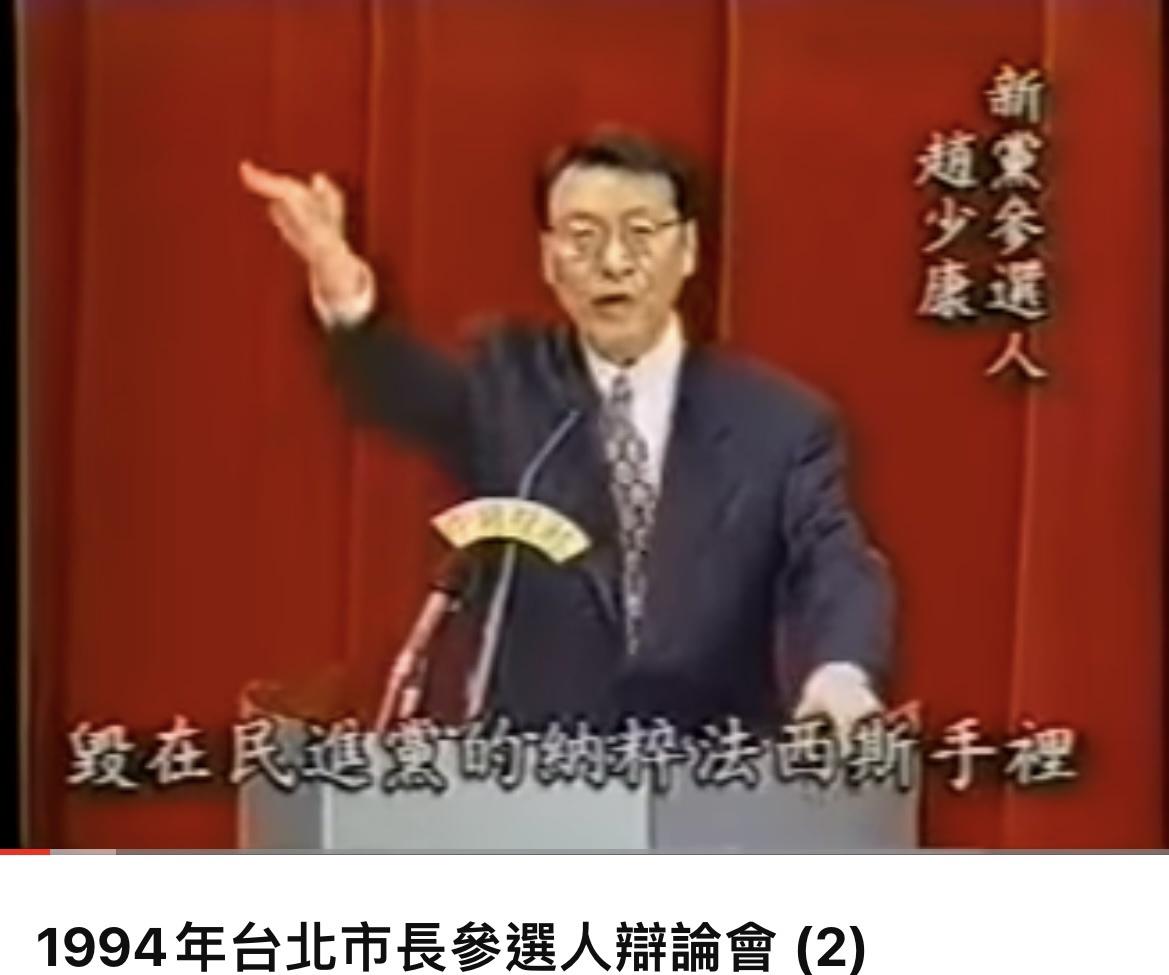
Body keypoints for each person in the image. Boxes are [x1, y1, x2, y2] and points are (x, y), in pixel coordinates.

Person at [240, 130, 893, 738]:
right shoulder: (504, 381)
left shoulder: (776, 422)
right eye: (582, 236)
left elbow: (832, 563)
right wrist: (344, 292)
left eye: (641, 233)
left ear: (689, 250)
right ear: (549, 259)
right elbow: (393, 386)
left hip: (709, 783)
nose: (613, 261)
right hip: (527, 781)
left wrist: (839, 674)